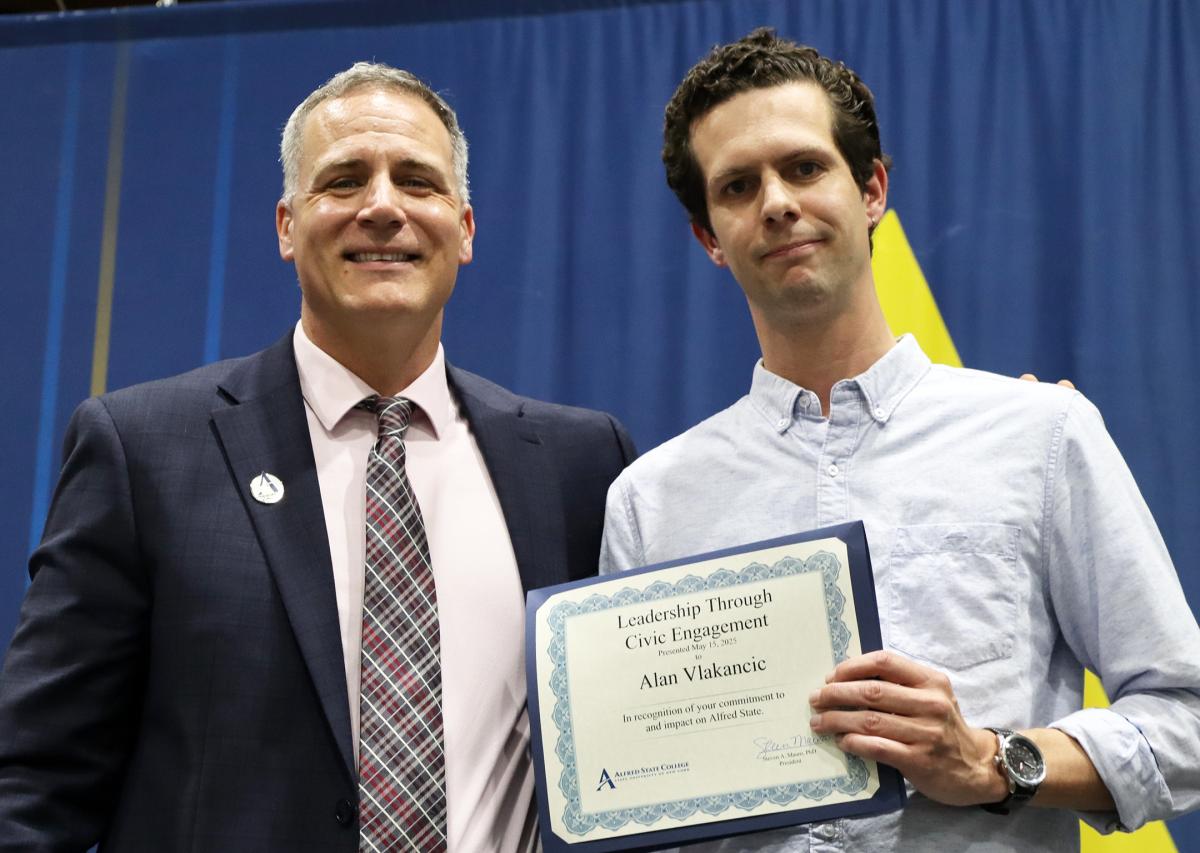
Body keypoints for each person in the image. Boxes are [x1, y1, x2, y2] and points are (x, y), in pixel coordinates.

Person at [0, 62, 634, 852]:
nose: (381, 206)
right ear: (286, 225)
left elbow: (634, 750)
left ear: (464, 229)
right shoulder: (144, 449)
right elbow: (32, 785)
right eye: (342, 181)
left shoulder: (578, 464)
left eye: (417, 181)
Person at [599, 28, 1200, 851]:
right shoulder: (650, 502)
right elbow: (637, 799)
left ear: (872, 188)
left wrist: (996, 760)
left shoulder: (1042, 437)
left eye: (805, 167)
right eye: (738, 186)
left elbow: (1189, 720)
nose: (776, 202)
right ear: (710, 237)